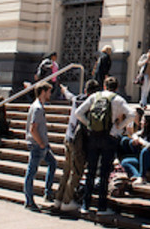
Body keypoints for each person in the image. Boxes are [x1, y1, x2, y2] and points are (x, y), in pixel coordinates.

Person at [75, 76, 134, 216]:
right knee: (104, 173)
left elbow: (78, 113)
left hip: (93, 137)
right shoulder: (118, 99)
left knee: (90, 171)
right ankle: (101, 207)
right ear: (117, 87)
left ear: (104, 86)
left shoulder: (95, 96)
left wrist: (89, 124)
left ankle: (85, 205)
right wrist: (119, 127)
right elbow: (131, 114)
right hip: (109, 138)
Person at [55, 79, 101, 212]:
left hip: (68, 137)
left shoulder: (77, 100)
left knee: (66, 171)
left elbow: (70, 96)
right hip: (78, 142)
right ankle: (67, 201)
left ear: (85, 90)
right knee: (76, 172)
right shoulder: (90, 104)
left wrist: (64, 90)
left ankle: (58, 199)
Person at [24, 83, 57, 212]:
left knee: (53, 163)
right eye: (49, 92)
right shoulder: (37, 108)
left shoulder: (37, 106)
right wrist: (42, 144)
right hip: (38, 145)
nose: (50, 94)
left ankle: (48, 193)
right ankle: (30, 201)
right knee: (31, 172)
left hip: (41, 144)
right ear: (43, 92)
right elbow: (33, 129)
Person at [120, 111, 150, 184]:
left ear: (147, 123)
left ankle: (142, 177)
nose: (140, 122)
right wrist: (135, 139)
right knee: (125, 162)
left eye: (143, 121)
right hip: (145, 159)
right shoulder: (144, 131)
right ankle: (136, 176)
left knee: (145, 151)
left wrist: (140, 141)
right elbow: (135, 135)